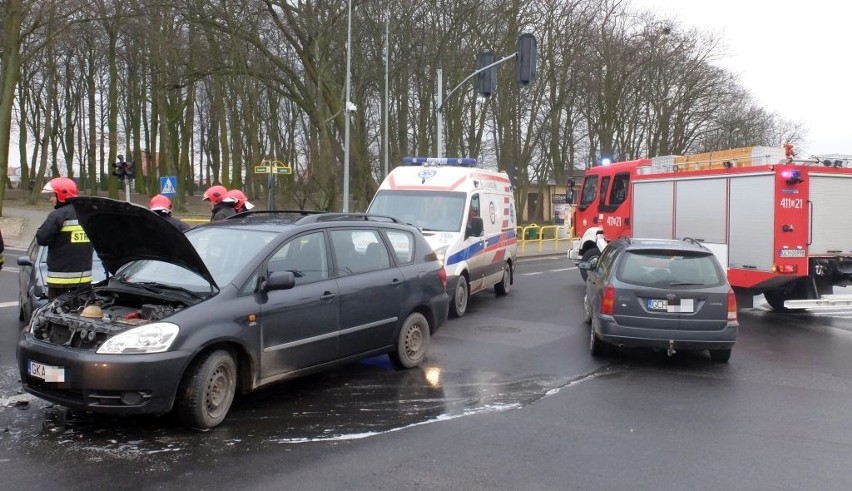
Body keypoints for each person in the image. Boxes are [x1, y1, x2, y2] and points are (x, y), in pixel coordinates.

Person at [36, 177, 94, 300]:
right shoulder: (87, 214)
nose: (51, 199)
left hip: (59, 281)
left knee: (56, 315)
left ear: (62, 195)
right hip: (84, 282)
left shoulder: (58, 215)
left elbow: (41, 239)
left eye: (53, 195)